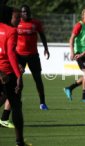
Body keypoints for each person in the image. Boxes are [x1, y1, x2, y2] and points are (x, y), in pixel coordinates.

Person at [0, 5, 31, 146]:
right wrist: (19, 75)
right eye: (16, 17)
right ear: (8, 17)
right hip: (7, 73)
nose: (19, 20)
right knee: (16, 106)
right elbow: (10, 54)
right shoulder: (11, 31)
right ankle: (20, 141)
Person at [16, 4, 50, 110]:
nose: (25, 13)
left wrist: (46, 48)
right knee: (18, 79)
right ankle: (17, 101)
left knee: (38, 79)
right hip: (19, 56)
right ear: (20, 13)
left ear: (29, 12)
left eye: (27, 11)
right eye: (23, 12)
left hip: (33, 55)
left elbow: (42, 35)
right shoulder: (16, 23)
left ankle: (42, 103)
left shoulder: (36, 23)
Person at [63, 7, 85, 103]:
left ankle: (69, 88)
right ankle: (84, 96)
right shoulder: (79, 25)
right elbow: (71, 39)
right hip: (80, 53)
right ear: (82, 16)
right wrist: (72, 52)